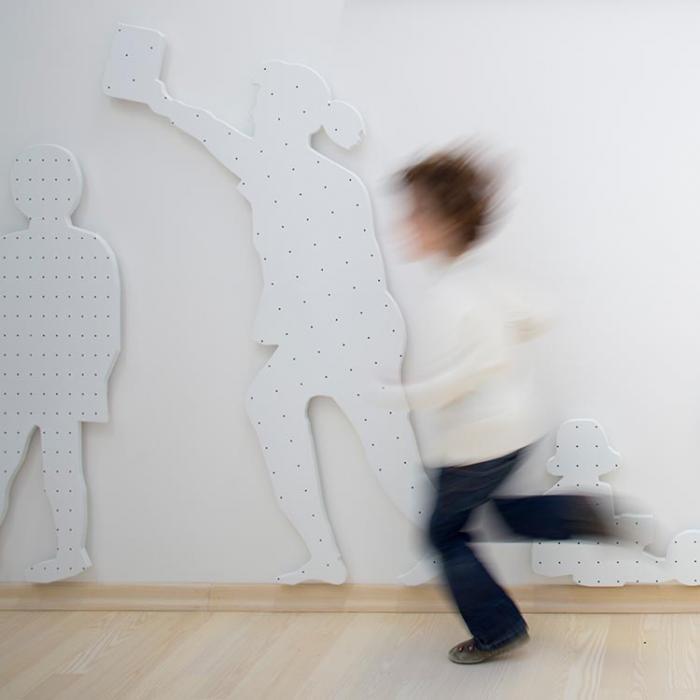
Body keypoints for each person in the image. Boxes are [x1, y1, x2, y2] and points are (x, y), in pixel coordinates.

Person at [385, 146, 610, 663]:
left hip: (472, 440)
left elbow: (455, 381)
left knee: (443, 533)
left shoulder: (450, 295)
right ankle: (574, 513)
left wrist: (394, 395)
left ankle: (498, 630)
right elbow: (541, 312)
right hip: (514, 427)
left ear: (446, 224)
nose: (406, 224)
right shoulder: (483, 276)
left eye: (416, 213)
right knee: (496, 513)